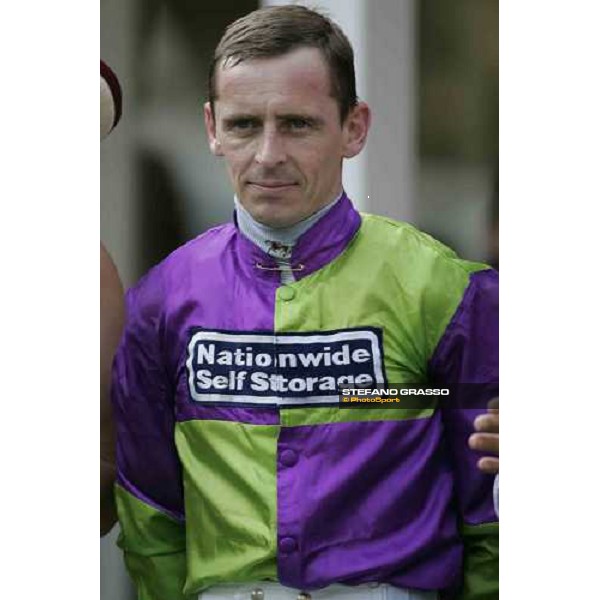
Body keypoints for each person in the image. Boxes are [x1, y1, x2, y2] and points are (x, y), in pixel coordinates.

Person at [111, 6, 499, 599]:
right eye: (244, 125)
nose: (268, 154)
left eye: (296, 124)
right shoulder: (162, 300)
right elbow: (150, 514)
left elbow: (490, 512)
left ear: (355, 127)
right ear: (212, 128)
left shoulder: (441, 288)